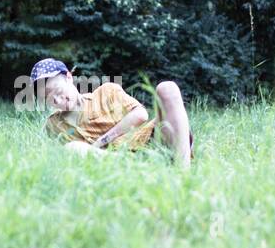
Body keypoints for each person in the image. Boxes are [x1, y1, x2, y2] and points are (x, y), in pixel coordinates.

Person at [29, 58, 193, 167]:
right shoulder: (53, 124)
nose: (56, 101)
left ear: (69, 78)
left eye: (57, 91)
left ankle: (183, 172)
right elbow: (53, 160)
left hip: (147, 143)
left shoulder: (106, 92)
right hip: (110, 162)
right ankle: (140, 166)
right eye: (47, 98)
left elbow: (141, 115)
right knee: (73, 148)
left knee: (168, 88)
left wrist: (100, 142)